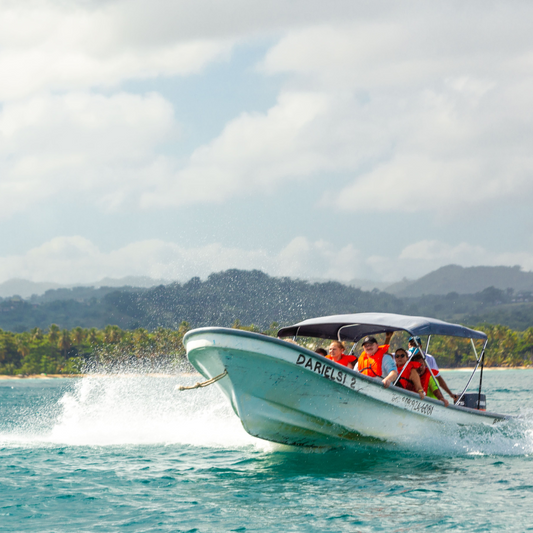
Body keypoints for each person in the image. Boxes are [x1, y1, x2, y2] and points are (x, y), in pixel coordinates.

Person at [408, 336, 459, 403]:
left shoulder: (429, 359)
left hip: (426, 389)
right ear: (408, 346)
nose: (413, 347)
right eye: (411, 345)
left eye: (416, 345)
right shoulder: (403, 356)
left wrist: (450, 394)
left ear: (420, 346)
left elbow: (438, 378)